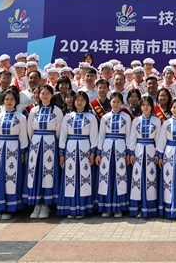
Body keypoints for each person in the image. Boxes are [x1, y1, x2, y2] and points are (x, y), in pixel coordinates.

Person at [0, 90, 29, 220]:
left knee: (11, 177)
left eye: (12, 99)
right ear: (3, 101)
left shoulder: (21, 117)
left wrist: (22, 151)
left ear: (16, 102)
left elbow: (23, 136)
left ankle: (10, 208)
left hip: (14, 149)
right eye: (7, 99)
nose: (9, 101)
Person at [57, 91, 99, 219]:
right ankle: (70, 208)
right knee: (70, 178)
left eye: (82, 100)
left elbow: (94, 136)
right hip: (70, 149)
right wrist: (61, 154)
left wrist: (93, 153)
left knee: (84, 178)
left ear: (86, 102)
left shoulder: (91, 117)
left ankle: (83, 208)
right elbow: (63, 136)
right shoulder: (67, 117)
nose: (79, 102)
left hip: (85, 148)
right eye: (77, 100)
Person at [24, 85, 63, 219]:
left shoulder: (57, 111)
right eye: (42, 93)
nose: (45, 95)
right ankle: (37, 204)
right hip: (36, 145)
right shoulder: (34, 111)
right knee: (35, 173)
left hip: (50, 145)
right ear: (38, 95)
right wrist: (35, 142)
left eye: (47, 93)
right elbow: (30, 130)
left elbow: (59, 131)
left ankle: (46, 205)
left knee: (48, 173)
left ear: (52, 95)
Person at [95, 92, 132, 218]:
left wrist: (129, 152)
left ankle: (118, 207)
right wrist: (99, 153)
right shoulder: (105, 117)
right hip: (107, 148)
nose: (115, 104)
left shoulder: (126, 117)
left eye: (118, 102)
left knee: (120, 178)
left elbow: (129, 136)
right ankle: (106, 207)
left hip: (121, 148)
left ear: (122, 103)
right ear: (110, 103)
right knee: (106, 177)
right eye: (113, 101)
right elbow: (101, 136)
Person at [127, 96, 161, 218]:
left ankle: (149, 208)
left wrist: (158, 153)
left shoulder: (157, 121)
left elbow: (159, 139)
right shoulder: (136, 121)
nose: (145, 107)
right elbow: (132, 138)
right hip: (139, 150)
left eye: (148, 105)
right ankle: (137, 207)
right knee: (138, 179)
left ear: (152, 106)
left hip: (151, 150)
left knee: (150, 179)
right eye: (143, 105)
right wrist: (131, 153)